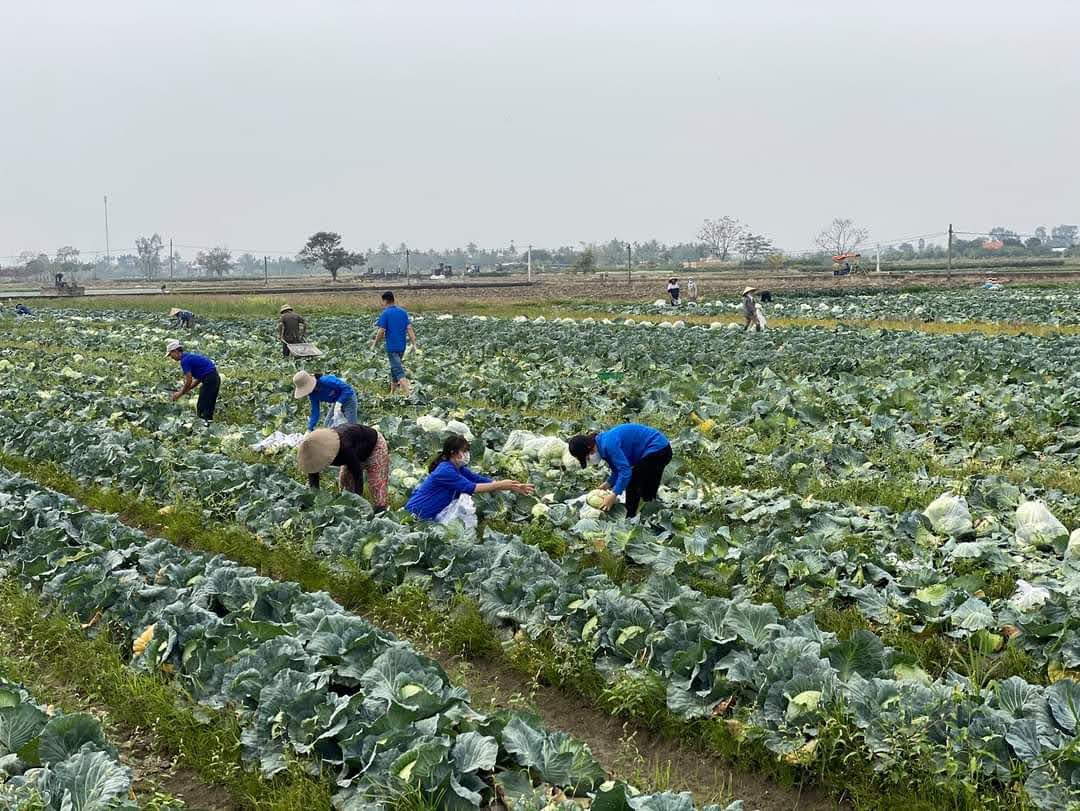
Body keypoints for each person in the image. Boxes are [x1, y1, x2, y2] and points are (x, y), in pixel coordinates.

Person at [406, 434, 534, 526]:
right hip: (417, 513)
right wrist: (502, 485)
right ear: (453, 452)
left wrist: (513, 485)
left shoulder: (458, 468)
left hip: (431, 514)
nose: (467, 454)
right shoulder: (445, 471)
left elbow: (479, 479)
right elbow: (471, 487)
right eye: (465, 451)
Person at [567, 423, 672, 519]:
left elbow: (625, 471)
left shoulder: (609, 445)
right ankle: (649, 509)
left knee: (633, 482)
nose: (589, 460)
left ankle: (630, 517)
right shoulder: (602, 445)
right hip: (655, 450)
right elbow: (617, 470)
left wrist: (613, 495)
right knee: (645, 487)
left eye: (587, 458)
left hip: (658, 449)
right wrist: (607, 484)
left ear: (591, 449)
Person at [296, 425, 390, 511]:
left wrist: (358, 500)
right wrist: (314, 501)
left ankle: (381, 511)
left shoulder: (344, 446)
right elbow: (313, 479)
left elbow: (357, 473)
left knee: (377, 485)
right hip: (355, 450)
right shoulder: (314, 454)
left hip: (374, 447)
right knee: (345, 485)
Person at [371, 291, 418, 395]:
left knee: (398, 370)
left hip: (392, 347)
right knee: (394, 369)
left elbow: (381, 331)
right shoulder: (403, 312)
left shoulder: (385, 313)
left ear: (385, 301)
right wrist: (414, 344)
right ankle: (392, 393)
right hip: (402, 346)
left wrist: (374, 343)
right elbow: (409, 328)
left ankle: (409, 394)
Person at [166, 339, 220, 421]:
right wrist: (187, 389)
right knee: (208, 404)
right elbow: (199, 378)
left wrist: (180, 393)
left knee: (202, 406)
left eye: (171, 355)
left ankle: (204, 426)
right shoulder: (189, 356)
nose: (171, 357)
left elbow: (189, 380)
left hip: (210, 380)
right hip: (214, 378)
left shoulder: (185, 361)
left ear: (176, 351)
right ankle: (207, 423)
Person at [292, 370, 357, 432]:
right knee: (327, 425)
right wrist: (309, 429)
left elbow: (348, 389)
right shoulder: (312, 395)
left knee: (351, 427)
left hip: (348, 398)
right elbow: (315, 412)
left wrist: (339, 402)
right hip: (336, 401)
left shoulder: (326, 381)